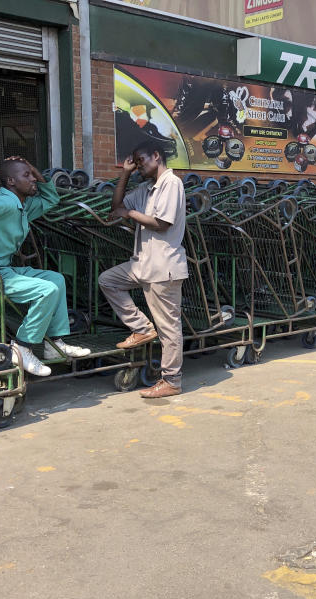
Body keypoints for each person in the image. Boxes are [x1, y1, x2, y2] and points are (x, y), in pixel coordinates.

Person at [0, 157, 90, 377]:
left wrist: (32, 167)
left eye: (32, 174)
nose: (33, 178)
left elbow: (50, 199)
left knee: (56, 280)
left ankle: (53, 345)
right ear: (11, 181)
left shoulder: (21, 206)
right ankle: (22, 346)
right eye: (27, 175)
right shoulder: (3, 203)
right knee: (46, 290)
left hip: (3, 271)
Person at [99, 126, 187, 399]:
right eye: (135, 164)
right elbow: (116, 207)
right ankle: (141, 328)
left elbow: (161, 223)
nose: (138, 168)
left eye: (140, 162)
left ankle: (172, 380)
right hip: (142, 264)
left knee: (169, 328)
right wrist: (124, 174)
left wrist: (131, 213)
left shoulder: (172, 184)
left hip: (163, 268)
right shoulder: (147, 188)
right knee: (108, 280)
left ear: (157, 156)